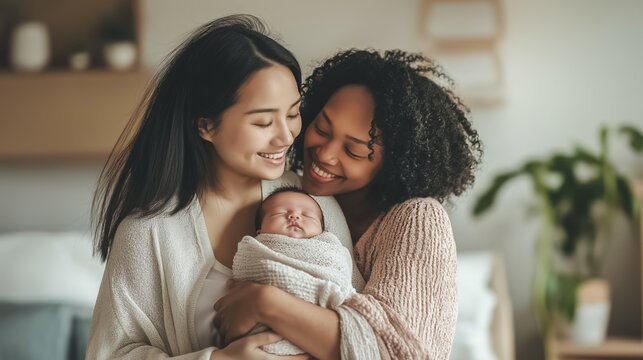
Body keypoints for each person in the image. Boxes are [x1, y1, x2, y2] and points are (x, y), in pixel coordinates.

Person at [86, 15, 367, 360]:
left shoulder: (310, 204)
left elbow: (360, 326)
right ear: (206, 125)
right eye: (263, 121)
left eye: (293, 114)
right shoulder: (148, 233)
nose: (285, 135)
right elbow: (110, 353)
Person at [213, 49, 482, 359]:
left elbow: (399, 352)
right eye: (322, 129)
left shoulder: (417, 219)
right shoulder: (286, 194)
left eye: (353, 151)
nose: (325, 154)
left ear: (395, 163)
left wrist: (265, 304)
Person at [227, 186, 356, 356]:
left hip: (322, 333)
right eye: (278, 213)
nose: (294, 216)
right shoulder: (254, 250)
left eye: (307, 215)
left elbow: (343, 283)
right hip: (263, 342)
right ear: (259, 231)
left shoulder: (330, 250)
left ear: (322, 231)